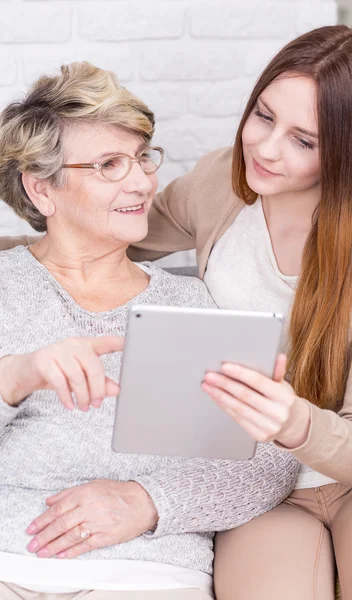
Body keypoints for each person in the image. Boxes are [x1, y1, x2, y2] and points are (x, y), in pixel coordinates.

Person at [0, 62, 299, 600]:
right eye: (110, 164)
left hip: (148, 576)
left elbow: (272, 462)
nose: (142, 181)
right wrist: (13, 379)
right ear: (42, 189)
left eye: (141, 157)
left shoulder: (192, 302)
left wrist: (148, 499)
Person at [126, 25, 352, 600]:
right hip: (251, 480)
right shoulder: (218, 187)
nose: (267, 148)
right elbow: (111, 236)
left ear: (348, 153)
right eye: (263, 115)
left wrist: (290, 421)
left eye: (305, 140)